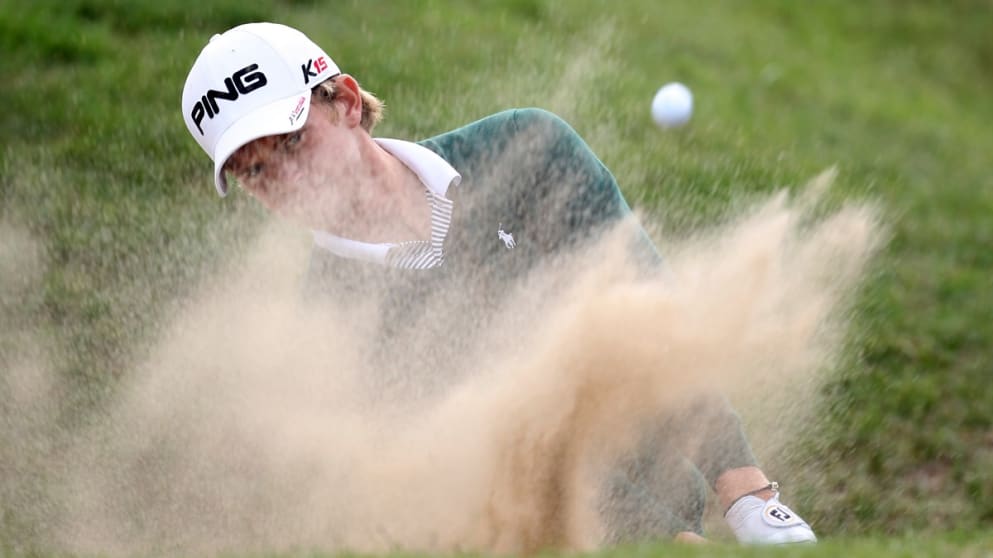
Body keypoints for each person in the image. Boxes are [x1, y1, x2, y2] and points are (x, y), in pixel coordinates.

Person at [181, 22, 817, 545]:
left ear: (345, 103)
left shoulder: (528, 149)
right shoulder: (333, 328)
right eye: (254, 172)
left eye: (292, 142)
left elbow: (654, 322)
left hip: (671, 491)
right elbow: (522, 475)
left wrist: (749, 500)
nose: (285, 180)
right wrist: (670, 543)